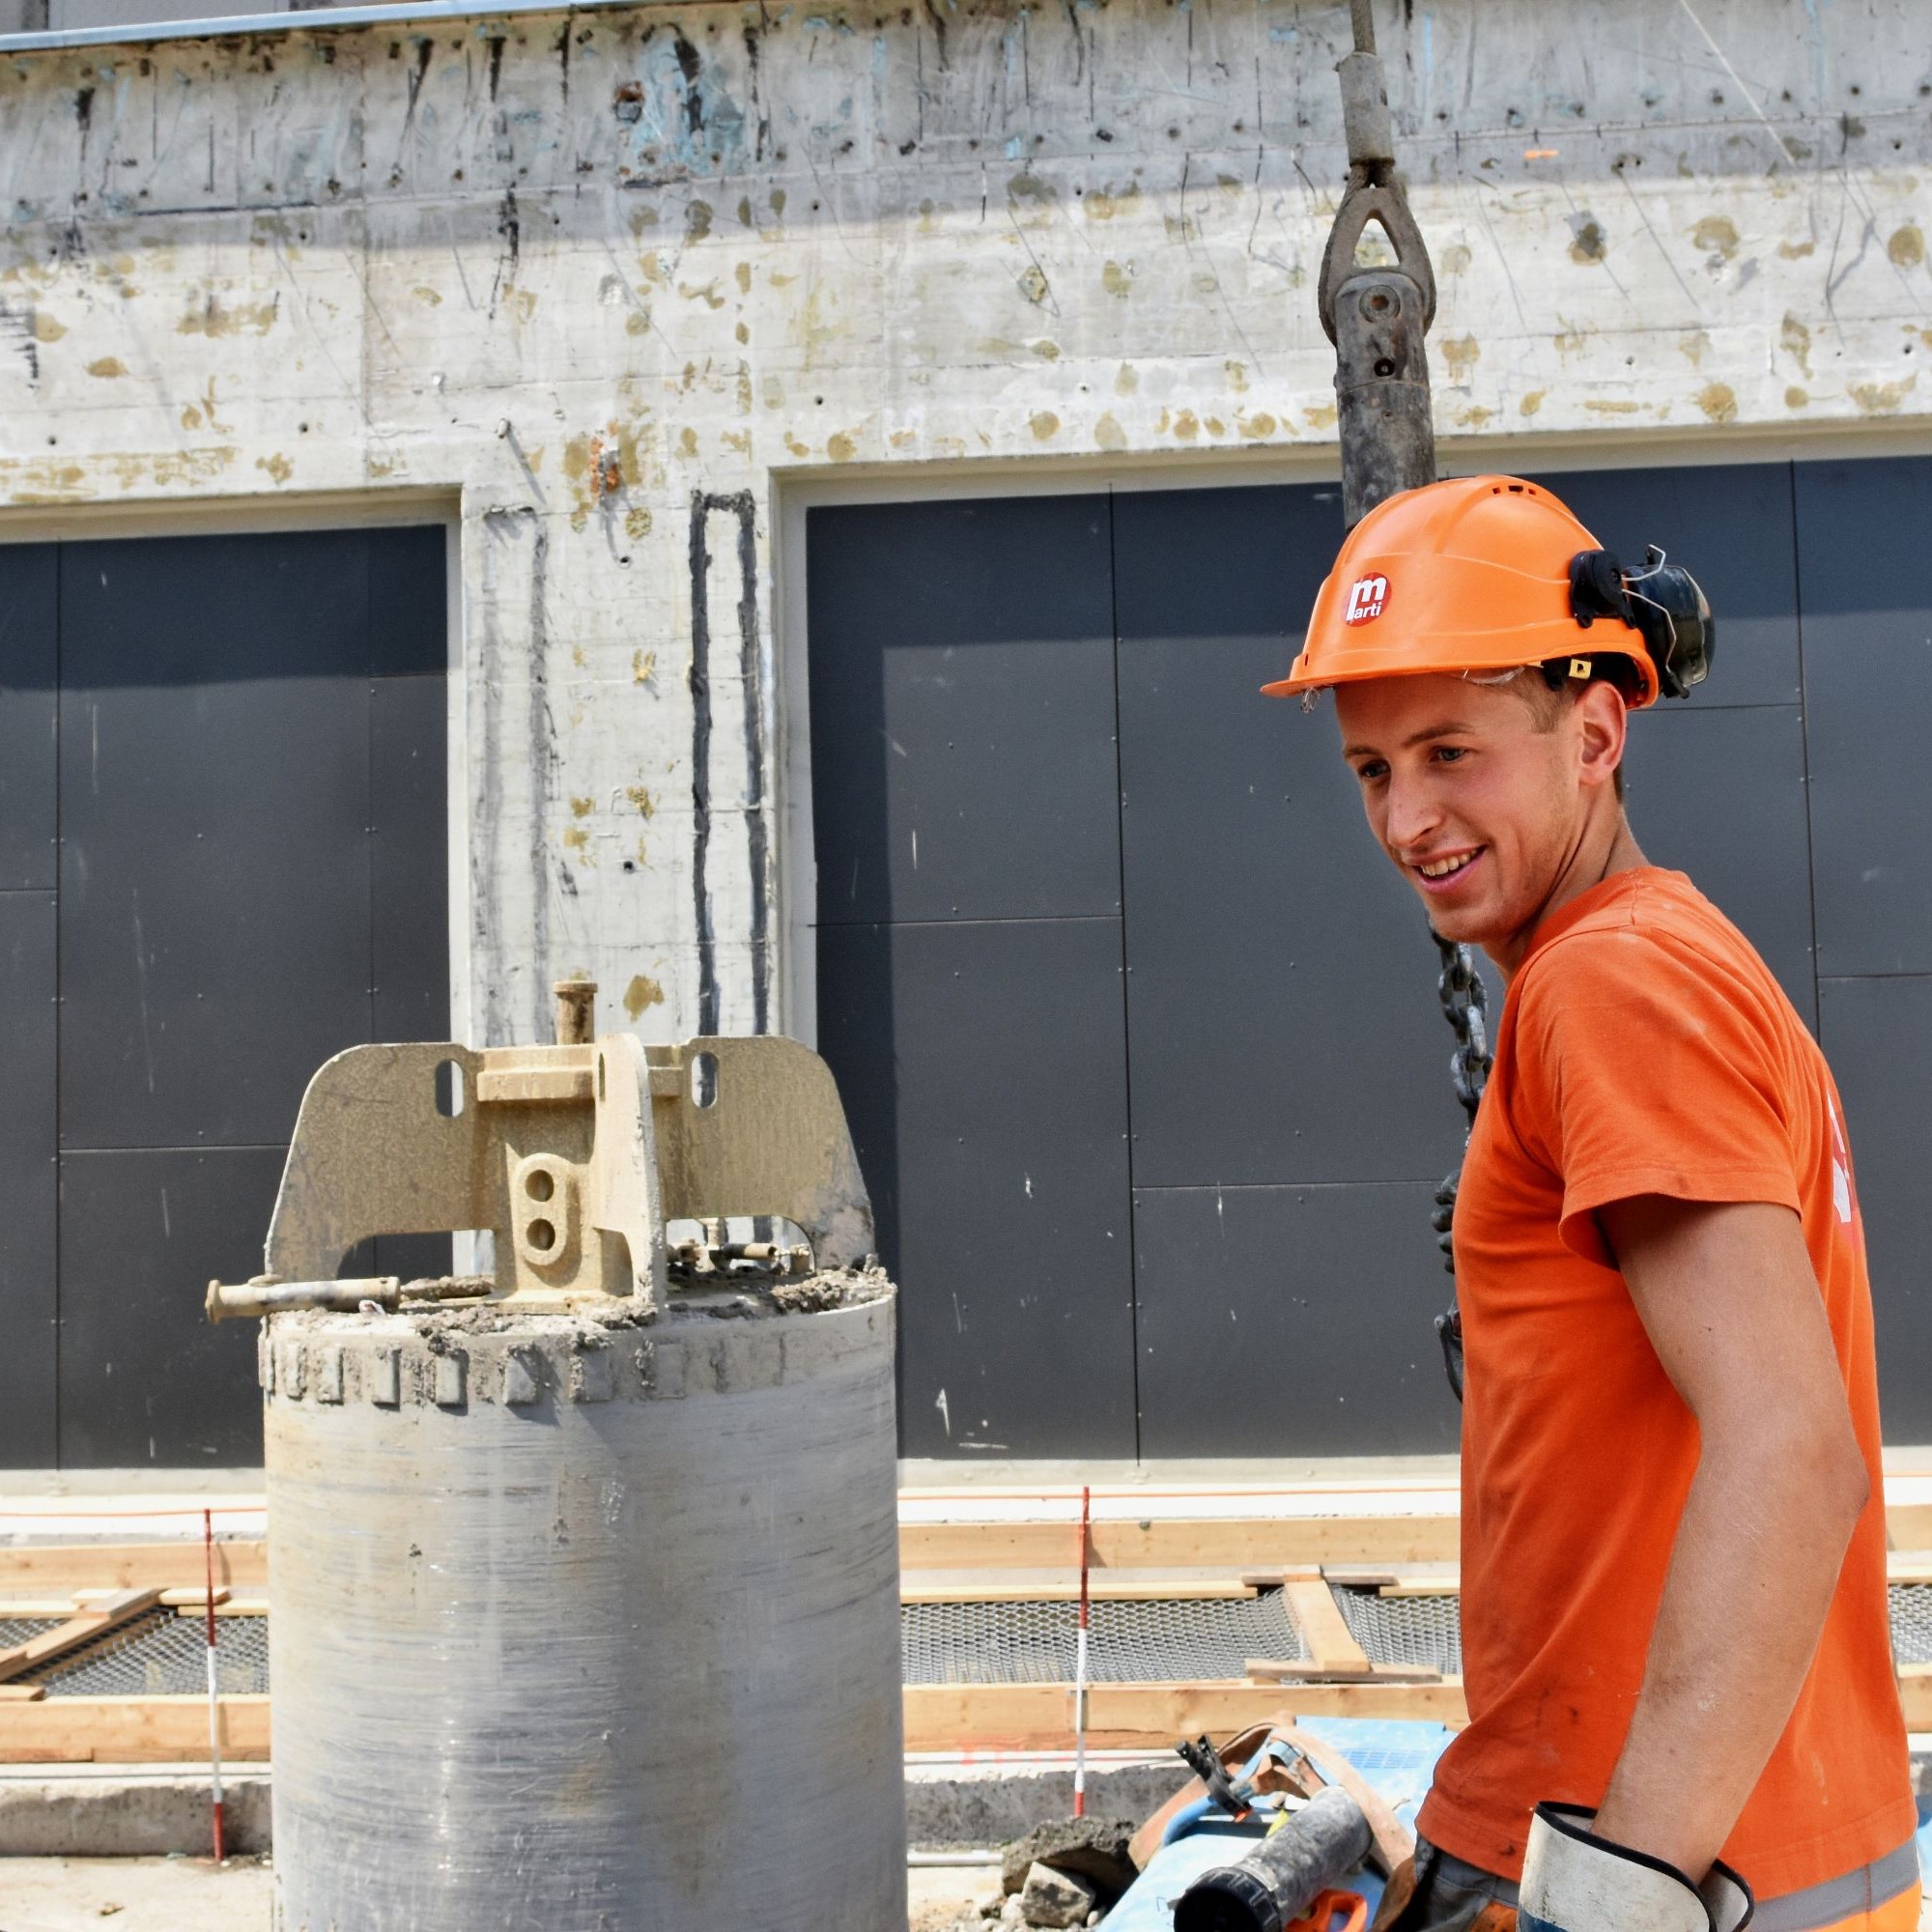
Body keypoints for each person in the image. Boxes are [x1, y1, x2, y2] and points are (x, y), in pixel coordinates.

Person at [1263, 476, 1918, 1932]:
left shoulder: (1610, 985)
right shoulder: (1667, 958)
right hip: (1754, 1841)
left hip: (1654, 1860)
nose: (1409, 817)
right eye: (1374, 769)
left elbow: (1792, 1450)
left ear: (1597, 732)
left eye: (1452, 751)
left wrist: (1613, 1898)